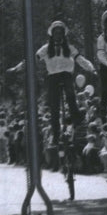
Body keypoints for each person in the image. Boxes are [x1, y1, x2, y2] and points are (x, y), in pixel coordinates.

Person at [16, 20, 95, 153]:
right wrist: (19, 67)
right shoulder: (46, 48)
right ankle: (56, 134)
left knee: (71, 95)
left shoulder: (69, 47)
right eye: (56, 32)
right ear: (52, 35)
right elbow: (32, 57)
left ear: (64, 35)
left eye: (60, 32)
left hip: (67, 75)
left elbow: (80, 59)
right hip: (53, 77)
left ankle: (76, 119)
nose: (58, 35)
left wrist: (91, 68)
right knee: (54, 105)